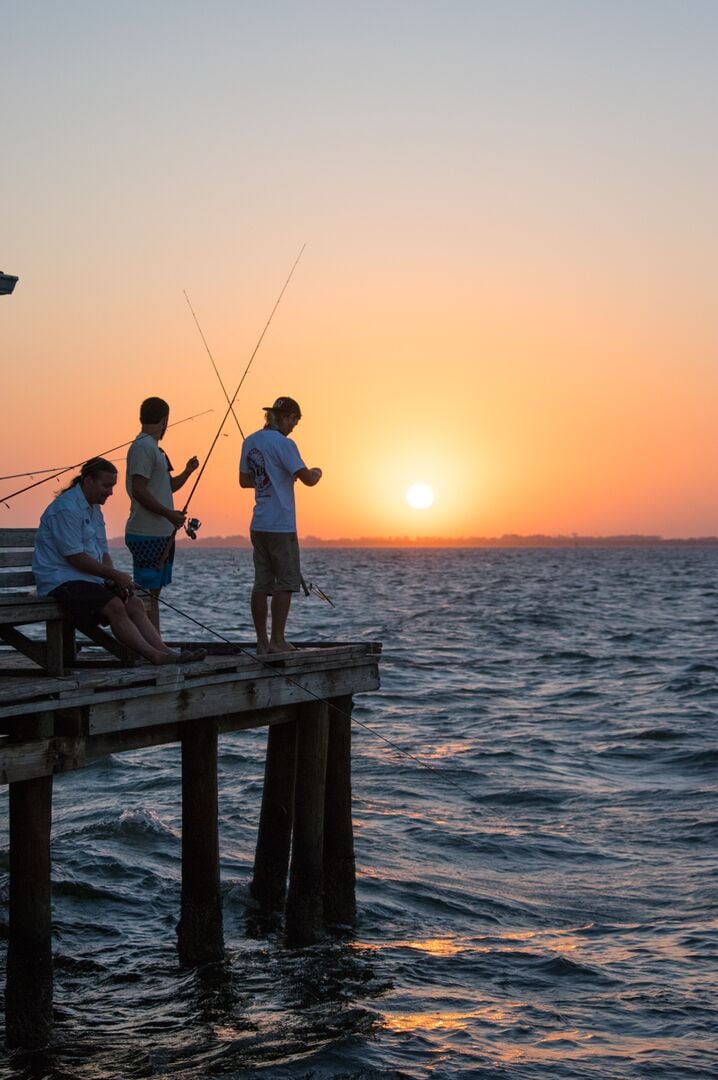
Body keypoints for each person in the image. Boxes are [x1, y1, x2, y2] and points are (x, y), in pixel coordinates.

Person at [33, 458, 205, 665]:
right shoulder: (66, 509)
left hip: (87, 580)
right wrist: (114, 575)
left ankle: (167, 652)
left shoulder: (94, 508)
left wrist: (114, 579)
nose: (111, 492)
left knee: (134, 602)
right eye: (107, 486)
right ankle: (155, 657)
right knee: (114, 605)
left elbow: (102, 552)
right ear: (88, 482)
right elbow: (75, 558)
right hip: (60, 581)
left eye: (112, 486)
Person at [239, 396, 322, 653]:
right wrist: (318, 473)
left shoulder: (250, 441)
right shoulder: (285, 444)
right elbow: (307, 479)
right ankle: (278, 640)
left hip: (259, 523)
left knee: (261, 585)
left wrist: (267, 476)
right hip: (281, 525)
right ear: (285, 417)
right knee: (285, 582)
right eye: (294, 421)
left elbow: (244, 481)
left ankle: (262, 643)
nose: (293, 427)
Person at [125, 397, 199, 631]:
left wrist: (187, 471)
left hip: (161, 533)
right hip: (146, 533)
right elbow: (139, 490)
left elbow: (168, 487)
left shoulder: (157, 451)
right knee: (146, 596)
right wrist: (169, 514)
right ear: (165, 419)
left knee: (153, 596)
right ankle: (148, 645)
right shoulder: (143, 448)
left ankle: (154, 642)